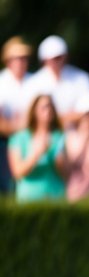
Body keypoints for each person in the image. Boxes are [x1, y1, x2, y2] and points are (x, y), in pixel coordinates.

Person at [7, 93, 66, 203]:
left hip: (55, 197)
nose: (48, 110)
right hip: (28, 199)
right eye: (44, 107)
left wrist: (60, 161)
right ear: (34, 111)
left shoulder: (60, 137)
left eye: (51, 107)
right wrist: (36, 154)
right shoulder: (20, 138)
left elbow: (67, 174)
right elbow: (17, 172)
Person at [0, 37, 35, 194]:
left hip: (29, 139)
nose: (21, 62)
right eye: (17, 58)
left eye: (24, 58)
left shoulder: (34, 81)